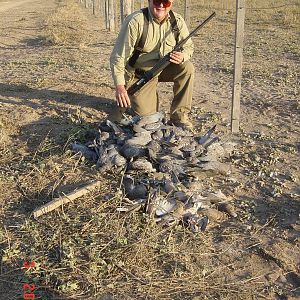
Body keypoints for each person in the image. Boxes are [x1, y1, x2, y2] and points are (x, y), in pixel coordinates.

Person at [110, 0, 194, 129]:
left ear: (170, 4)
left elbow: (189, 46)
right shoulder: (136, 21)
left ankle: (179, 118)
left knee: (187, 68)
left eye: (165, 2)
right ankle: (135, 102)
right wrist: (120, 87)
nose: (161, 6)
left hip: (164, 68)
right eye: (157, 1)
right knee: (148, 120)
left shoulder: (177, 20)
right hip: (140, 75)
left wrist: (183, 56)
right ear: (149, 1)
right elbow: (118, 57)